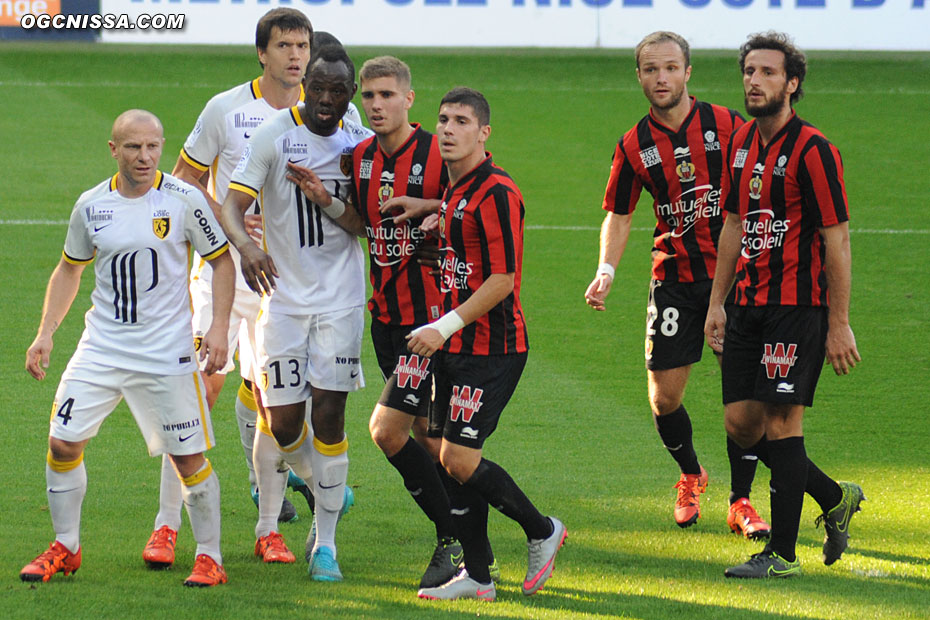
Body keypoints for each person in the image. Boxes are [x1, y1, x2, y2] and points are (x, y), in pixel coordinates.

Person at [20, 110, 234, 587]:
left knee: (188, 459)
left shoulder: (183, 200)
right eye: (134, 147)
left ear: (162, 146)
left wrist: (218, 328)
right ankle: (66, 547)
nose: (145, 156)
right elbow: (69, 269)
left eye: (153, 146)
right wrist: (45, 332)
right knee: (62, 441)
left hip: (168, 354)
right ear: (113, 150)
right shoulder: (91, 205)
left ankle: (209, 556)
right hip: (102, 348)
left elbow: (221, 264)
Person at [144, 8, 314, 570]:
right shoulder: (225, 109)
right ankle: (168, 526)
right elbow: (182, 180)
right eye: (284, 45)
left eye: (303, 45)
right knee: (197, 394)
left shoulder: (323, 112)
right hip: (222, 273)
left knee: (274, 403)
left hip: (283, 281)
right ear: (261, 54)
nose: (295, 55)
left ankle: (268, 529)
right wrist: (231, 219)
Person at [584, 31, 768, 537]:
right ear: (639, 76)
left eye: (670, 68)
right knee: (663, 398)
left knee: (744, 399)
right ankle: (691, 473)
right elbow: (619, 215)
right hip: (674, 280)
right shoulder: (634, 144)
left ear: (688, 72)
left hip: (731, 279)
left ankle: (742, 500)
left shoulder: (728, 125)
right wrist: (607, 269)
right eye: (650, 69)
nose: (660, 77)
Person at [704, 31, 864, 578]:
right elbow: (731, 225)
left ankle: (783, 555)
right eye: (749, 71)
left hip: (797, 308)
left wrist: (838, 323)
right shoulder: (741, 143)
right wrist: (716, 303)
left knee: (780, 421)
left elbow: (836, 239)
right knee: (740, 424)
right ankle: (834, 496)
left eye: (768, 72)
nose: (755, 80)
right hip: (746, 305)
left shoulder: (815, 150)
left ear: (792, 84)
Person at [404, 88, 565, 602]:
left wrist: (443, 325)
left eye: (461, 122)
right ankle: (477, 576)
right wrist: (431, 213)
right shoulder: (455, 189)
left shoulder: (496, 191)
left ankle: (542, 531)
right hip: (456, 348)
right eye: (443, 120)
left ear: (484, 133)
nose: (448, 130)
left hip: (490, 349)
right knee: (446, 456)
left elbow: (502, 279)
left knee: (461, 459)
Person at [222, 45, 373, 582]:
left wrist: (328, 199)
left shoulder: (361, 144)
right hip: (282, 300)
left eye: (339, 90)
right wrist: (248, 247)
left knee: (330, 416)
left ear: (349, 93)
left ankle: (325, 546)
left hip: (340, 300)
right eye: (319, 86)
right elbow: (230, 207)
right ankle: (329, 485)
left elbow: (365, 226)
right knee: (284, 423)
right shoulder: (273, 136)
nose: (327, 99)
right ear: (304, 82)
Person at [349, 55, 475, 589]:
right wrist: (322, 202)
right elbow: (365, 223)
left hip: (431, 324)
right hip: (386, 318)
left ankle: (456, 539)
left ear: (409, 99)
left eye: (386, 95)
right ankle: (468, 540)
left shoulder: (437, 148)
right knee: (428, 437)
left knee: (391, 430)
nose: (376, 105)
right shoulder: (359, 158)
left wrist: (429, 206)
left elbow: (477, 201)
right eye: (368, 96)